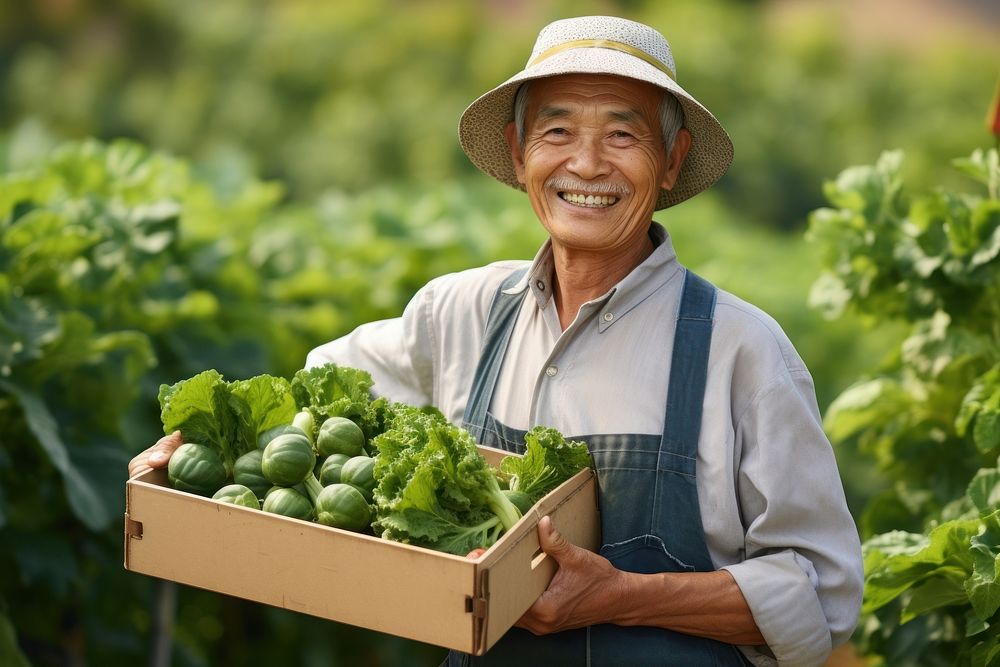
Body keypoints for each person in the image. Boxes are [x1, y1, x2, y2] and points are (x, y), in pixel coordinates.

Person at [130, 15, 863, 667]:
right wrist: (203, 446)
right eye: (557, 131)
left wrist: (621, 597)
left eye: (622, 133)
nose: (586, 164)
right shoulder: (461, 311)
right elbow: (318, 395)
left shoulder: (742, 349)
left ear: (671, 162)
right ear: (518, 154)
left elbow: (821, 594)